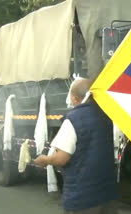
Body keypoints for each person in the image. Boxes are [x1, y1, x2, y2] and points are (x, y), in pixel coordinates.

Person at [34, 79, 118, 214]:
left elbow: (62, 158)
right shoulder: (106, 116)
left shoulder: (73, 119)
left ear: (74, 98)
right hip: (106, 195)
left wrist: (45, 160)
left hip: (83, 199)